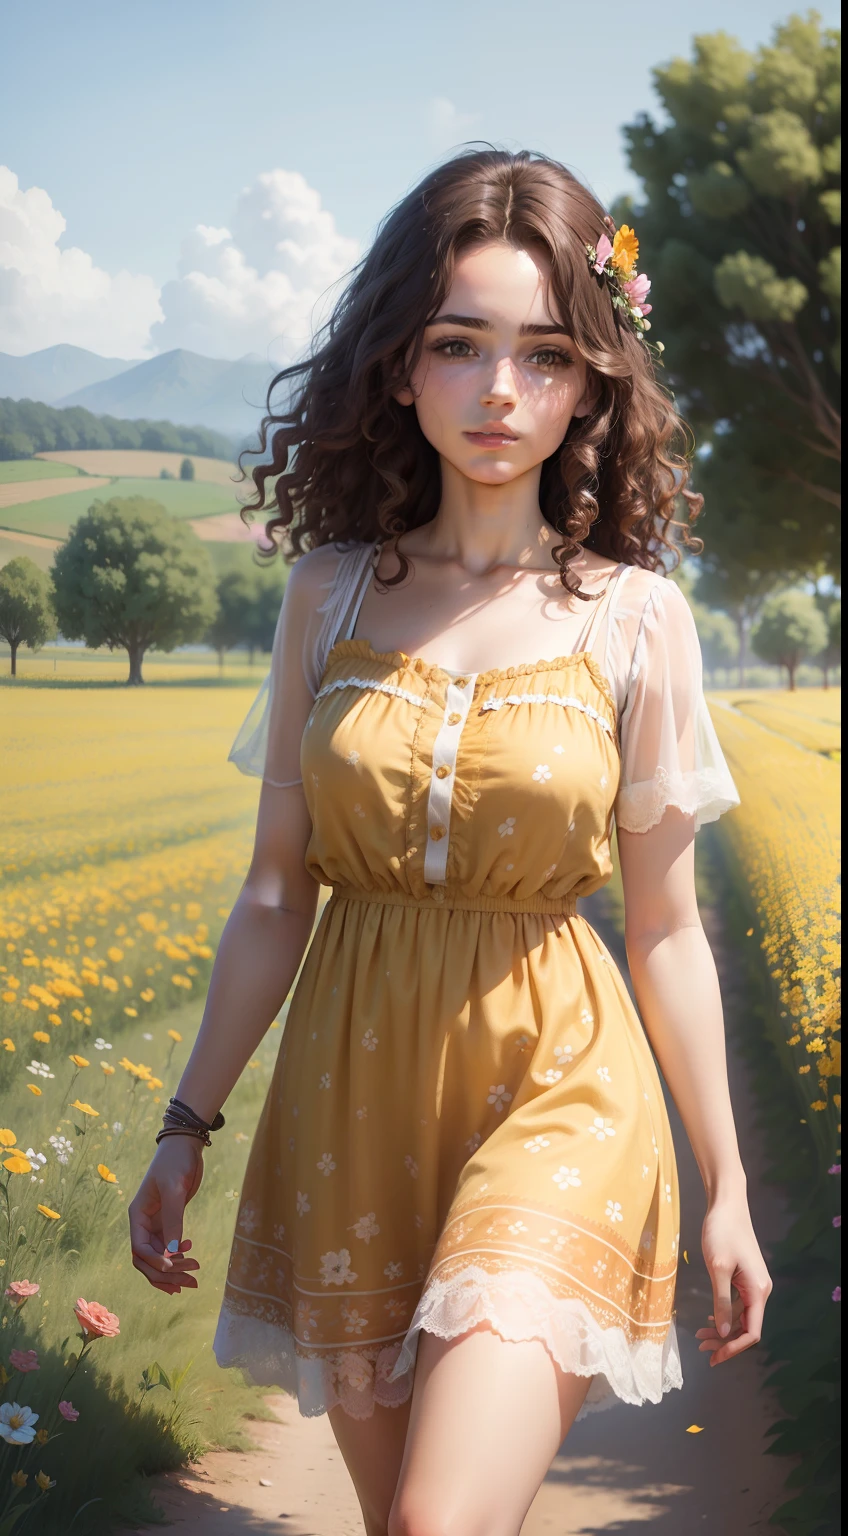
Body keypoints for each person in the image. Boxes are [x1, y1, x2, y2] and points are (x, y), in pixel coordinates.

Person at [128, 148, 772, 1536]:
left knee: (436, 1522)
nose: (499, 392)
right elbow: (269, 896)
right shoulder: (327, 596)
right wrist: (186, 1127)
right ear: (398, 364)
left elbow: (665, 927)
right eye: (460, 346)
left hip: (563, 1083)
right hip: (348, 1096)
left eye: (545, 355)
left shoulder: (637, 616)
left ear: (593, 378)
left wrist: (729, 1189)